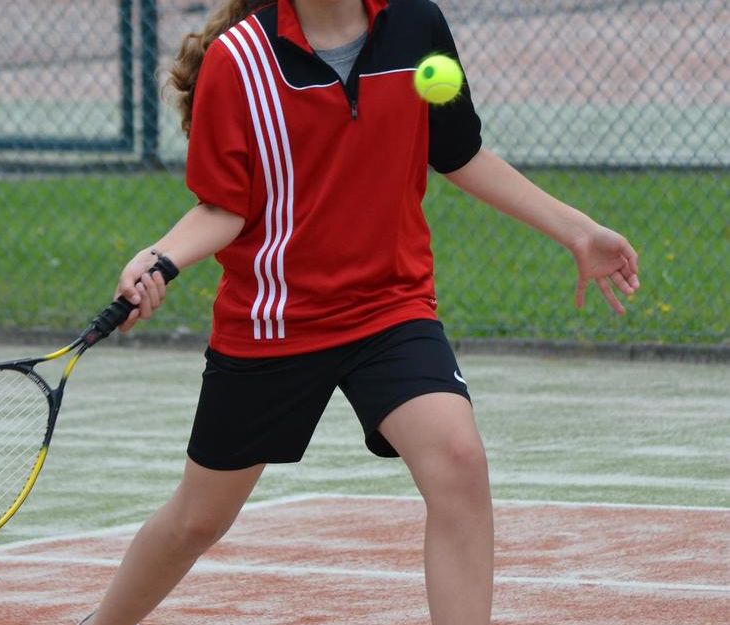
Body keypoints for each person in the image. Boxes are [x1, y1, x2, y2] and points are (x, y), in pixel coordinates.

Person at [82, 0, 640, 623]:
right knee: (197, 520)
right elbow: (223, 207)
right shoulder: (237, 60)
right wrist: (159, 258)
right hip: (274, 323)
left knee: (458, 462)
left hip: (389, 308)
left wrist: (577, 232)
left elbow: (459, 153)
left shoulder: (415, 27)